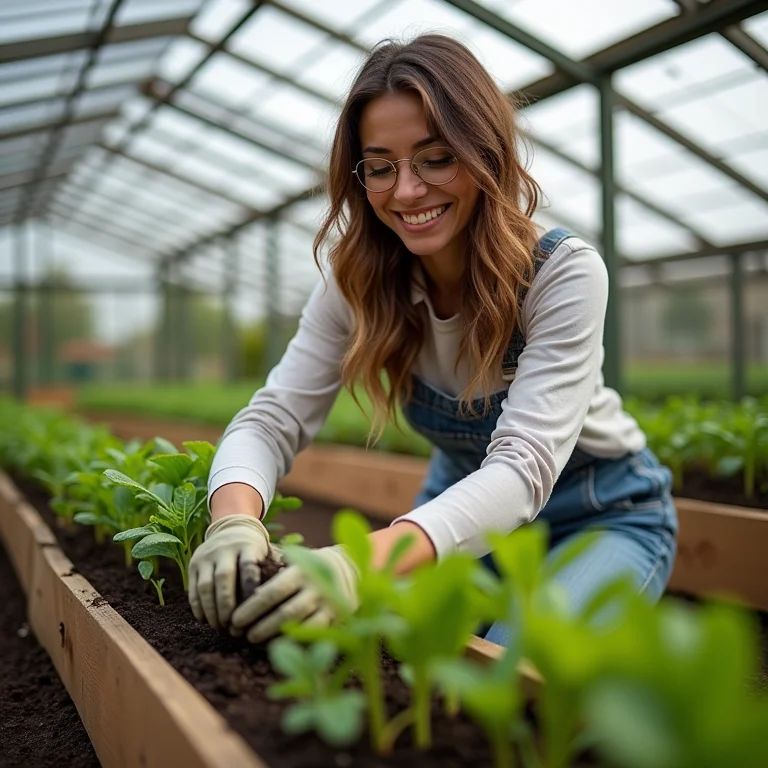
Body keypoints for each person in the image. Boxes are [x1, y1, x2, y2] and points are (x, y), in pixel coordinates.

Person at [187, 34, 678, 647]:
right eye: (381, 167)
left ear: (485, 153)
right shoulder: (359, 280)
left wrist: (356, 563)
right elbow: (273, 417)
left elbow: (522, 468)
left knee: (508, 663)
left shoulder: (560, 272)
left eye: (436, 157)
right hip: (459, 509)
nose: (408, 191)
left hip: (600, 513)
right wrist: (233, 522)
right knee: (383, 653)